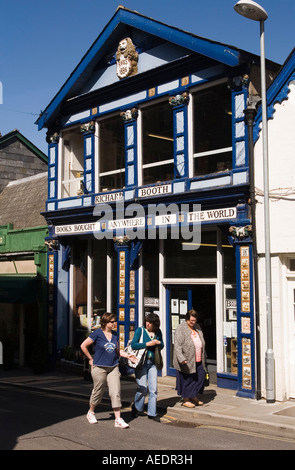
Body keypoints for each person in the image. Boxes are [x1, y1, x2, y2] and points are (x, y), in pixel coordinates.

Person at [80, 312, 136, 428]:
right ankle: (91, 412)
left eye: (114, 321)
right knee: (98, 391)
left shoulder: (115, 335)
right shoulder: (97, 333)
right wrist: (90, 359)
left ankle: (118, 419)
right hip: (99, 367)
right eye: (112, 322)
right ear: (105, 322)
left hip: (113, 367)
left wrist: (127, 355)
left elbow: (116, 351)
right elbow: (83, 346)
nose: (114, 323)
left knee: (115, 392)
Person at [131, 312, 164, 422]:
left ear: (155, 324)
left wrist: (158, 342)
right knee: (142, 387)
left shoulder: (158, 332)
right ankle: (137, 407)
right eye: (147, 321)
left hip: (153, 363)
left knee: (153, 389)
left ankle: (152, 413)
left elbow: (162, 344)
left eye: (150, 322)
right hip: (141, 363)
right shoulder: (140, 330)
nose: (147, 323)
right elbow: (133, 345)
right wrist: (147, 344)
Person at [173, 309, 206, 408]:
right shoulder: (181, 329)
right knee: (187, 380)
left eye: (194, 321)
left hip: (198, 358)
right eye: (191, 321)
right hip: (186, 359)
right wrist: (181, 358)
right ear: (186, 319)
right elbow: (177, 346)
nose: (193, 323)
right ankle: (186, 399)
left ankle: (193, 396)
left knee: (200, 377)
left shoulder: (197, 327)